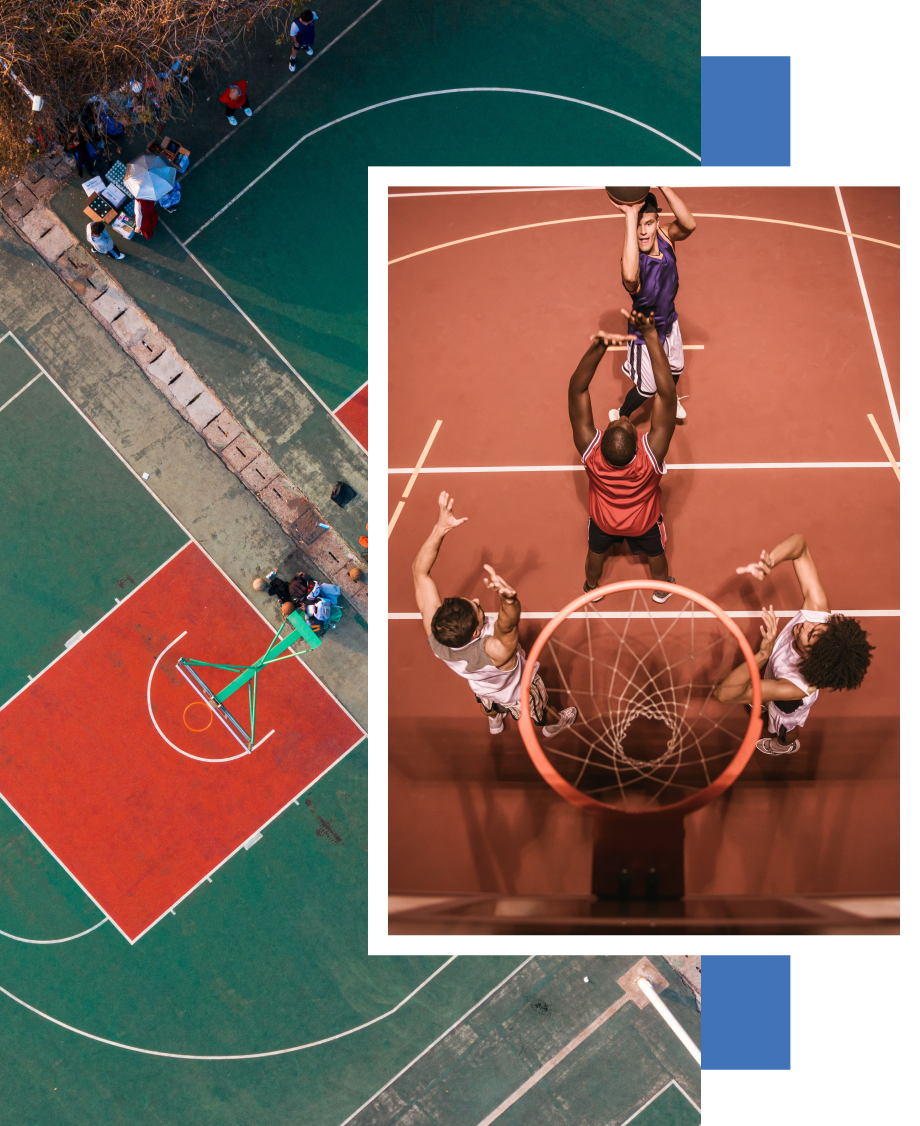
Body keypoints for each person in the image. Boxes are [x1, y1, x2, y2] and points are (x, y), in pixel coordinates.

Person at [412, 492, 578, 737]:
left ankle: (495, 720)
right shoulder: (496, 653)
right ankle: (555, 725)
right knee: (543, 711)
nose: (478, 600)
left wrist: (440, 528)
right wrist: (509, 599)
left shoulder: (438, 639)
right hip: (519, 691)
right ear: (477, 632)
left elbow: (420, 572)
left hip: (483, 689)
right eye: (478, 609)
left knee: (486, 705)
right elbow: (508, 626)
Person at [715, 533, 875, 755]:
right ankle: (764, 698)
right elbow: (800, 545)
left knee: (784, 725)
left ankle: (785, 744)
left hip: (786, 705)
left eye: (809, 636)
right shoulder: (818, 613)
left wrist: (762, 654)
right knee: (763, 684)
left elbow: (723, 694)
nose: (806, 625)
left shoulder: (793, 688)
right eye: (818, 628)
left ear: (809, 657)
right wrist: (770, 561)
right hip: (776, 673)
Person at [569, 308, 677, 602]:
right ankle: (661, 589)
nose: (624, 418)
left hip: (604, 522)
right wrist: (652, 335)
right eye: (626, 421)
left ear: (601, 439)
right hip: (643, 523)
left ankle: (591, 588)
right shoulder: (650, 455)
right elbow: (667, 395)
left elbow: (577, 391)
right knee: (657, 553)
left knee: (596, 552)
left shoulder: (591, 452)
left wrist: (598, 348)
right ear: (638, 442)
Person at [608, 185, 697, 421]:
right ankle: (620, 414)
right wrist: (630, 214)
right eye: (637, 225)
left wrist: (663, 184)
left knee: (676, 367)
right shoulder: (633, 261)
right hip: (644, 335)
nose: (643, 232)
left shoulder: (666, 236)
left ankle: (671, 400)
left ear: (658, 222)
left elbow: (689, 225)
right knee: (646, 389)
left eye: (648, 223)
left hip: (669, 321)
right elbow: (629, 277)